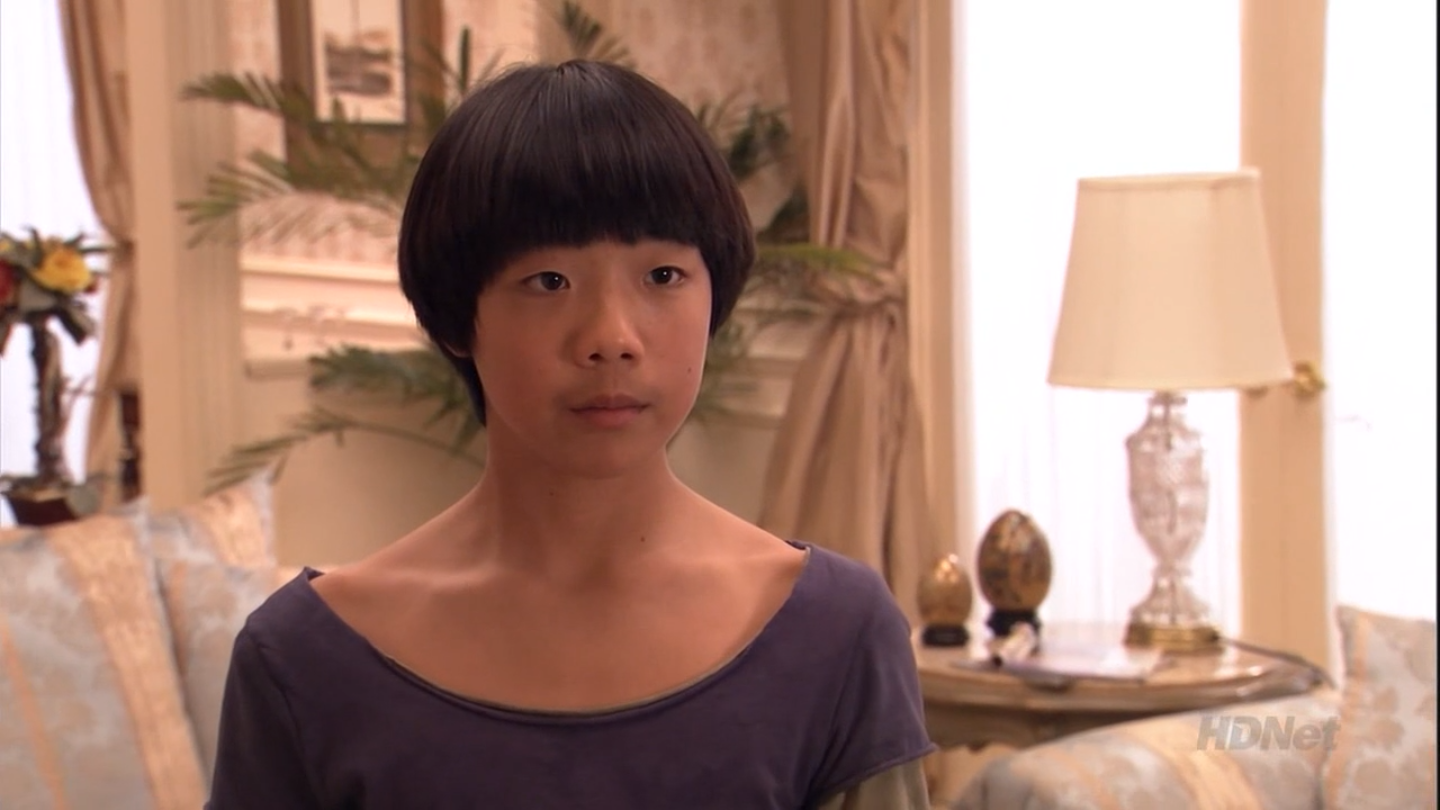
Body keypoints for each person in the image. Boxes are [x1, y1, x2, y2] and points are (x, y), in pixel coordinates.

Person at [207, 59, 935, 809]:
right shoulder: (307, 659)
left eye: (662, 277)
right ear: (457, 317)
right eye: (548, 281)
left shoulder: (835, 635)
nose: (612, 338)